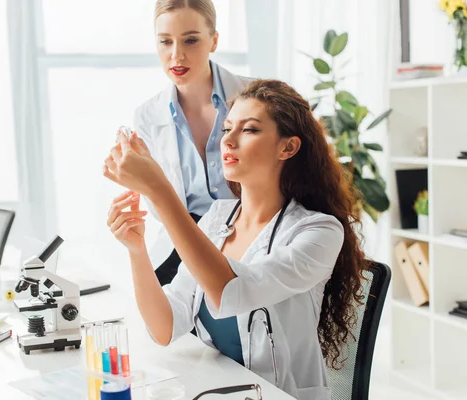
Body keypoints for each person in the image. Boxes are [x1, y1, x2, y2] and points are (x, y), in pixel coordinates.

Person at [104, 79, 368, 400]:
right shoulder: (217, 218)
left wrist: (159, 191)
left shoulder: (319, 232)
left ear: (288, 147)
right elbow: (164, 327)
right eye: (227, 128)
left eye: (250, 130)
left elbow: (231, 289)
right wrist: (136, 249)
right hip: (215, 388)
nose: (227, 140)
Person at [133, 0, 254, 285]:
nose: (177, 55)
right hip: (184, 243)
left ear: (213, 41)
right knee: (153, 316)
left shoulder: (257, 98)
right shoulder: (147, 116)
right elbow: (159, 206)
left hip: (251, 241)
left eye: (190, 40)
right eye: (165, 42)